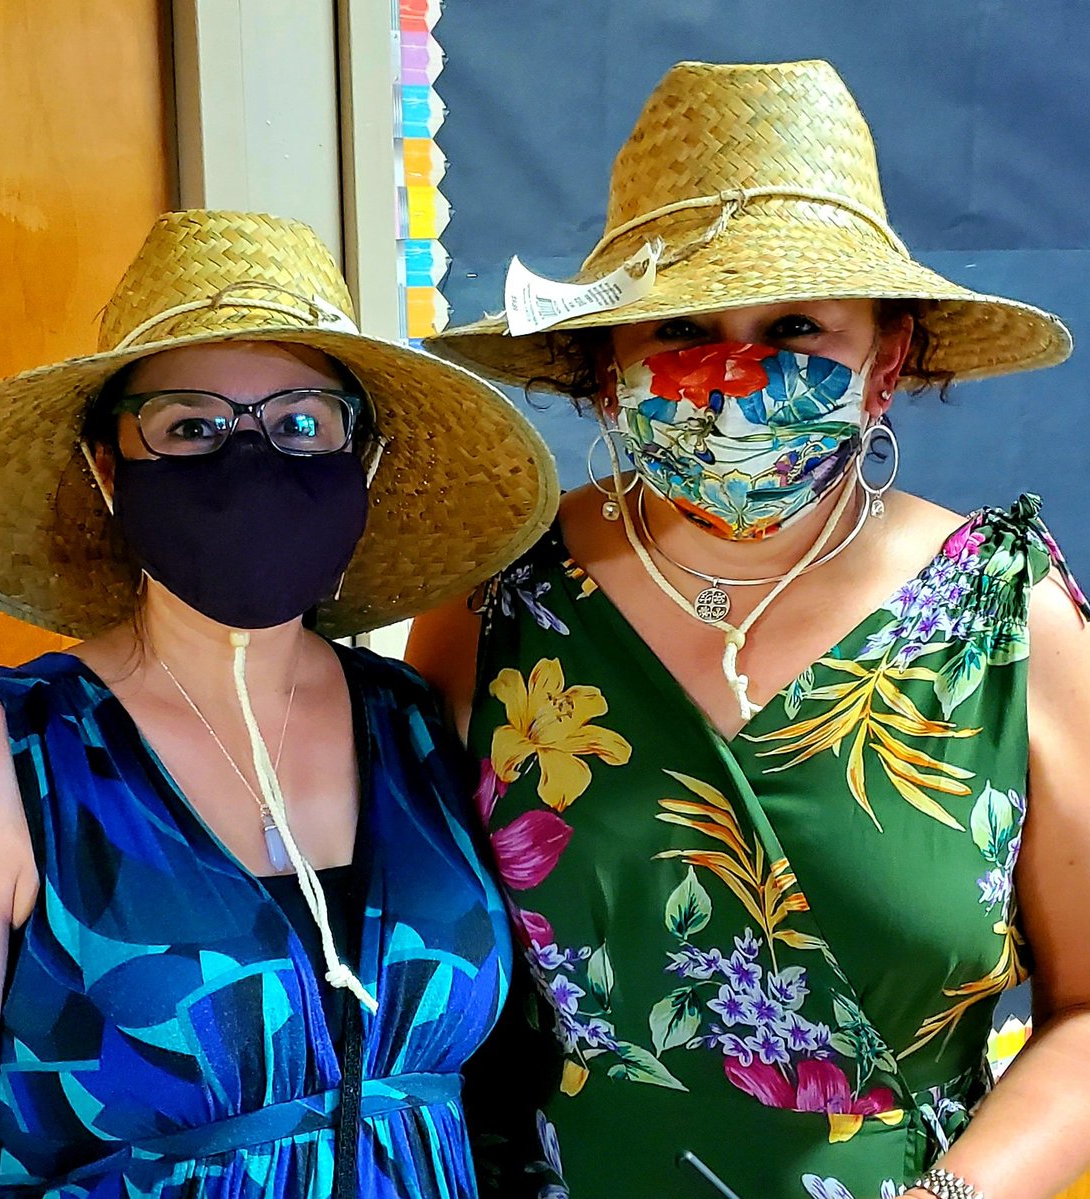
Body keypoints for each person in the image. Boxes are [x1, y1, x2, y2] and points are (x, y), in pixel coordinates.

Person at [409, 60, 1090, 1199]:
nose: (732, 378)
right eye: (680, 324)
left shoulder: (1008, 618)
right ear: (604, 367)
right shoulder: (501, 598)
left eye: (793, 328)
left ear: (888, 357)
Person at [0, 209, 559, 1198]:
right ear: (108, 467)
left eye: (300, 423)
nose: (251, 460)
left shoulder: (419, 724)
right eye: (191, 426)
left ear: (358, 459)